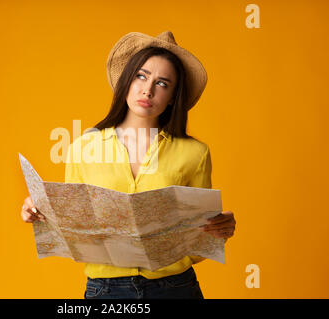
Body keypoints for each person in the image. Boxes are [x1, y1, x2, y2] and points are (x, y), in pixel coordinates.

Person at [21, 30, 236, 299]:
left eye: (162, 83)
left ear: (172, 97)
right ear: (126, 81)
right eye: (141, 76)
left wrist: (219, 230)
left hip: (175, 288)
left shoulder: (195, 153)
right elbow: (73, 227)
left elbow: (198, 237)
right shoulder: (83, 148)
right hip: (106, 290)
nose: (148, 89)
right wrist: (38, 210)